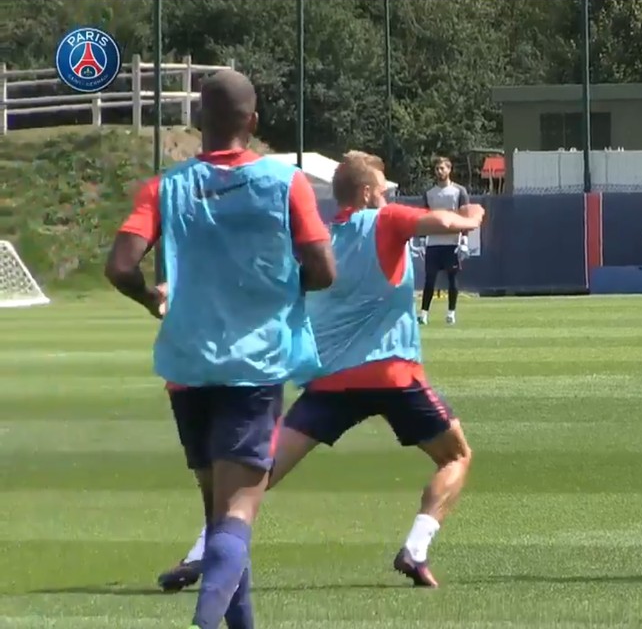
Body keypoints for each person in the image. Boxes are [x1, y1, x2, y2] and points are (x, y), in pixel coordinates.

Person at [157, 151, 483, 590]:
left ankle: (203, 550)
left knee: (256, 471)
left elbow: (252, 279)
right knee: (457, 455)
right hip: (391, 374)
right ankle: (416, 548)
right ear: (366, 193)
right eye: (383, 190)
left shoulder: (318, 241)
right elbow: (446, 225)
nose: (388, 197)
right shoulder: (384, 221)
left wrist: (171, 289)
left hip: (329, 382)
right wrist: (472, 215)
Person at [105, 69, 336, 628]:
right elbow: (324, 270)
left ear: (198, 122)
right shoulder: (286, 183)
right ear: (253, 123)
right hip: (251, 366)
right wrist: (284, 287)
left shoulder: (166, 186)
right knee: (235, 514)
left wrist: (151, 300)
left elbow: (119, 266)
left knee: (219, 513)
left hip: (186, 367)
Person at [418, 156, 471, 325]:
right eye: (437, 169)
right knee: (430, 279)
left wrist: (465, 240)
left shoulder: (459, 191)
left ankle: (451, 313)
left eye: (443, 168)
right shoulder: (429, 193)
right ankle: (424, 314)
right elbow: (424, 217)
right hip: (434, 242)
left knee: (452, 279)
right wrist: (421, 240)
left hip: (452, 241)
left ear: (449, 169)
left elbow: (465, 216)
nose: (440, 172)